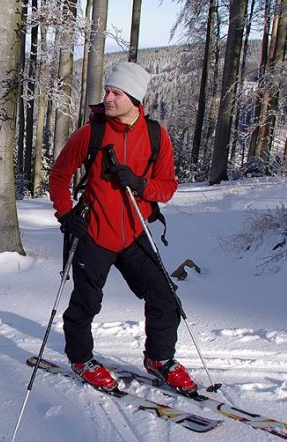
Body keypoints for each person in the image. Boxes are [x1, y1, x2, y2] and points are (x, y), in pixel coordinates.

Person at [47, 61, 197, 394]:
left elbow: (168, 187)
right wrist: (65, 214)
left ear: (134, 98)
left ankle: (159, 359)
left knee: (165, 297)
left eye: (116, 93)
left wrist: (140, 183)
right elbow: (59, 175)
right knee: (85, 303)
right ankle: (81, 359)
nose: (108, 98)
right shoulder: (92, 133)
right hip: (95, 233)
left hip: (134, 234)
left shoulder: (156, 136)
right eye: (108, 91)